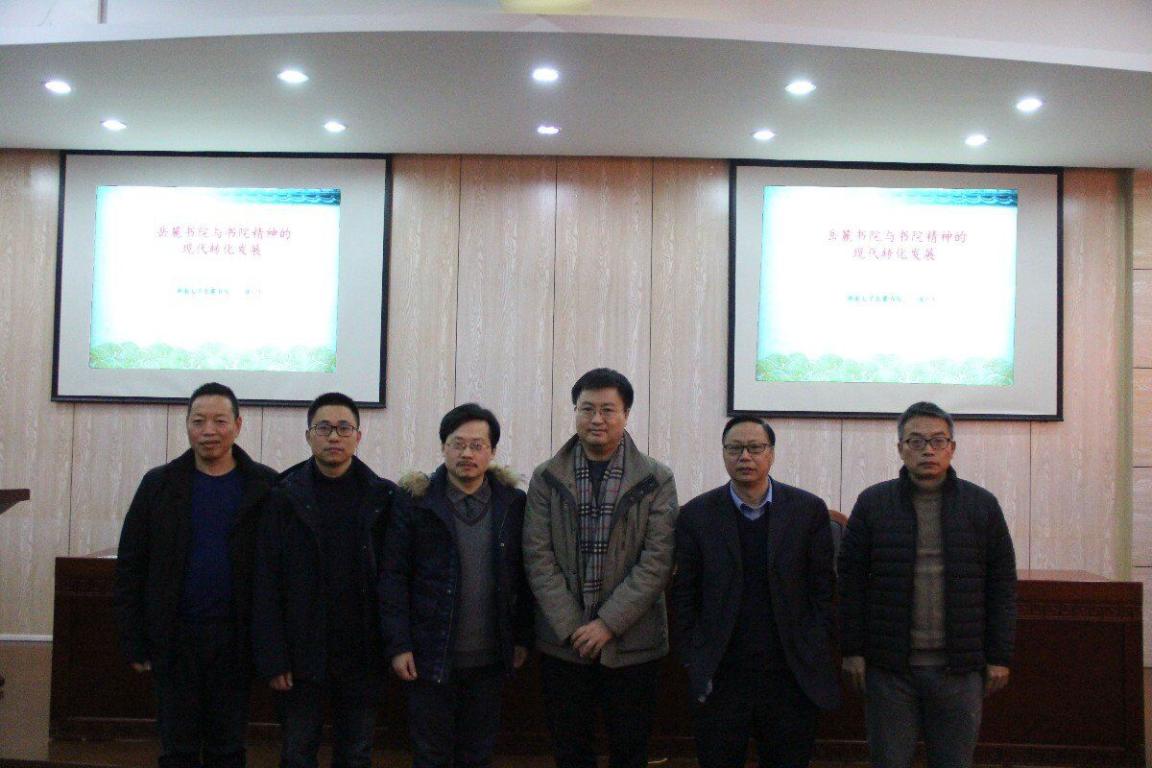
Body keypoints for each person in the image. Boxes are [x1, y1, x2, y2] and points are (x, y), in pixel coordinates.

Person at [838, 401, 1017, 768]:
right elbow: (850, 584)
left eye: (938, 441)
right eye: (916, 441)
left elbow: (1002, 587)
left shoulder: (981, 505)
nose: (928, 450)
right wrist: (852, 650)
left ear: (952, 447)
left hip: (960, 670)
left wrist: (999, 656)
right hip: (890, 669)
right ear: (900, 448)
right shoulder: (873, 503)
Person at [114, 382, 278, 768]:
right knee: (177, 748)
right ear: (187, 425)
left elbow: (280, 572)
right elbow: (131, 567)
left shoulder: (265, 486)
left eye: (220, 421)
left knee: (228, 747)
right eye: (199, 421)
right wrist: (134, 639)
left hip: (236, 639)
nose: (209, 431)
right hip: (174, 639)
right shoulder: (159, 484)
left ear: (238, 425)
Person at [523, 368, 678, 768]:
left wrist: (607, 624)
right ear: (575, 412)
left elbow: (657, 561)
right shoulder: (546, 477)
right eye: (586, 409)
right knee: (570, 750)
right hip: (564, 642)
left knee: (630, 749)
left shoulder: (657, 479)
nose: (597, 419)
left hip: (633, 643)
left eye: (608, 410)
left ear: (626, 414)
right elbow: (538, 556)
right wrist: (574, 626)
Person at [671, 416, 840, 768]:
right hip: (721, 672)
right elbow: (684, 595)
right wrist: (693, 655)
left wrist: (813, 645)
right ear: (723, 453)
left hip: (790, 672)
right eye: (734, 448)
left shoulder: (807, 511)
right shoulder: (697, 515)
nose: (744, 456)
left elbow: (823, 590)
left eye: (755, 448)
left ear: (771, 454)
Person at [380, 403, 533, 768]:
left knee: (477, 755)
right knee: (430, 755)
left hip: (491, 658)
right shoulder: (415, 502)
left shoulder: (512, 503)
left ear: (492, 451)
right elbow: (393, 577)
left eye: (477, 445)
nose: (467, 453)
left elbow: (525, 574)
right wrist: (399, 645)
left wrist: (523, 638)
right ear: (443, 447)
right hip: (430, 655)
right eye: (458, 444)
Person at [251, 392, 396, 768]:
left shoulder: (383, 497)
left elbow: (394, 579)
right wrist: (274, 656)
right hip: (301, 655)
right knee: (298, 752)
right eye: (324, 428)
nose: (334, 436)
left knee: (356, 754)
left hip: (362, 654)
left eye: (344, 428)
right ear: (308, 435)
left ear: (358, 436)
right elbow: (266, 583)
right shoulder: (282, 497)